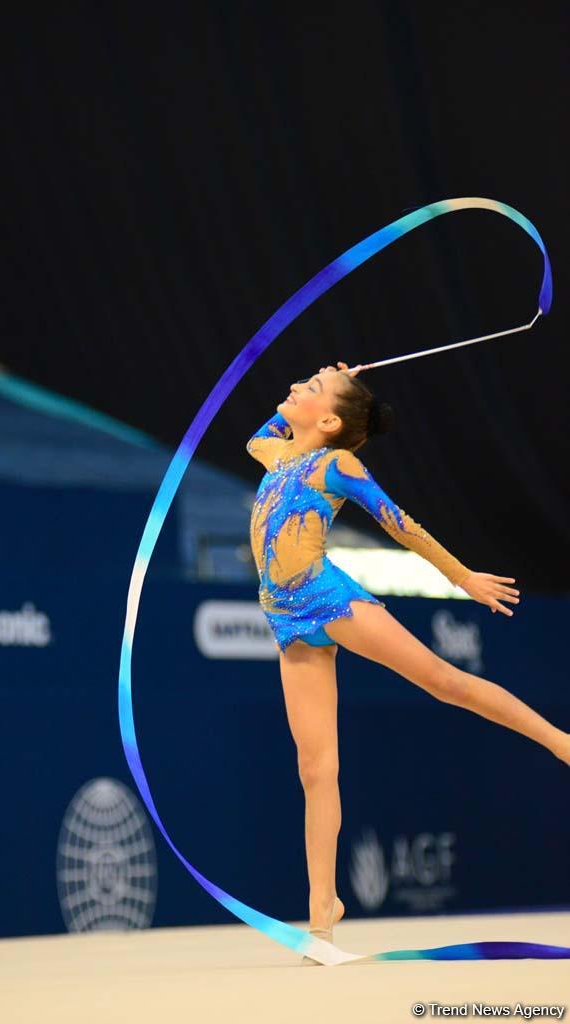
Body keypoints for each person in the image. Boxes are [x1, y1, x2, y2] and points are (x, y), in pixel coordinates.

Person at [246, 361, 569, 964]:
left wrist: (461, 576)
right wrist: (321, 389)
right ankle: (322, 915)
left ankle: (560, 741)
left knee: (443, 681)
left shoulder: (334, 464)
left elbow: (401, 525)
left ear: (330, 420)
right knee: (316, 769)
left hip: (328, 598)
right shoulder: (275, 453)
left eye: (310, 388)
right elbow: (256, 433)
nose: (293, 386)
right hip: (286, 622)